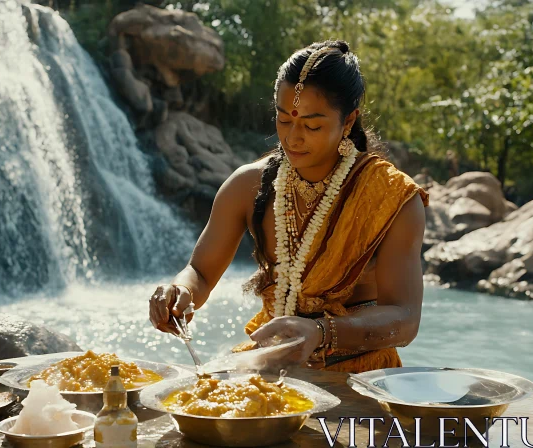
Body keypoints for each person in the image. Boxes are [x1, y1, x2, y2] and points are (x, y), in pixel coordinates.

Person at [148, 40, 428, 373]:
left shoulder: (392, 198)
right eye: (283, 120)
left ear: (349, 120)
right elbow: (202, 272)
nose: (293, 138)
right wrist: (181, 291)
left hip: (358, 374)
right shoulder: (246, 186)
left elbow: (405, 319)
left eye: (312, 125)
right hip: (266, 364)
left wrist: (322, 332)